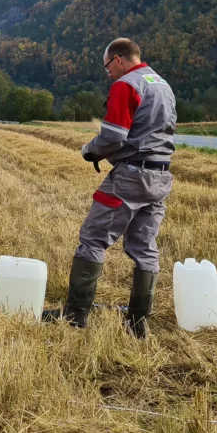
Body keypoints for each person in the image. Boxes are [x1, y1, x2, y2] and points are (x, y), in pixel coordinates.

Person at [47, 37, 176, 338]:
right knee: (144, 247)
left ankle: (75, 316)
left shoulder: (126, 85)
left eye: (107, 67)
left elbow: (114, 137)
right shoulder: (162, 85)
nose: (108, 74)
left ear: (118, 59)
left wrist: (89, 150)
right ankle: (137, 324)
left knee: (92, 238)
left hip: (131, 175)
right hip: (160, 176)